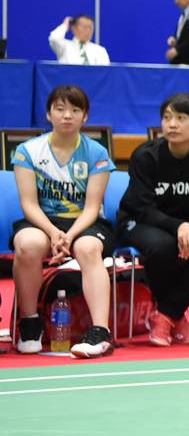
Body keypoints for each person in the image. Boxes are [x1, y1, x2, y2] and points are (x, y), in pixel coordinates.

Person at [10, 85, 118, 358]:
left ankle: (100, 331)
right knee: (27, 244)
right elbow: (29, 204)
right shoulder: (28, 151)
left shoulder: (97, 153)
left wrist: (69, 237)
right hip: (43, 221)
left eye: (74, 109)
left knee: (88, 248)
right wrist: (53, 232)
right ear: (48, 114)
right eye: (60, 109)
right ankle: (30, 322)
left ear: (85, 116)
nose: (67, 115)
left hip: (85, 222)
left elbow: (93, 207)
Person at [116, 93, 189, 345]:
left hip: (186, 223)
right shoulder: (145, 156)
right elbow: (143, 207)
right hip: (139, 221)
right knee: (162, 245)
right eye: (167, 118)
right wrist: (180, 228)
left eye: (180, 118)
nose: (172, 124)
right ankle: (173, 314)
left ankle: (166, 314)